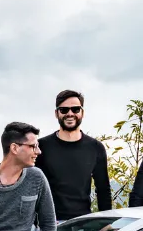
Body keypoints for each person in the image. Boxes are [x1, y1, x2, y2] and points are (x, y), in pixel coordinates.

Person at [35, 89, 113, 222]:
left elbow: (103, 190)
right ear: (56, 113)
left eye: (75, 109)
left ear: (82, 112)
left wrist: (105, 223)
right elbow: (31, 187)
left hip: (83, 223)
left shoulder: (95, 148)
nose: (70, 114)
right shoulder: (41, 147)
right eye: (64, 110)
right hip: (48, 224)